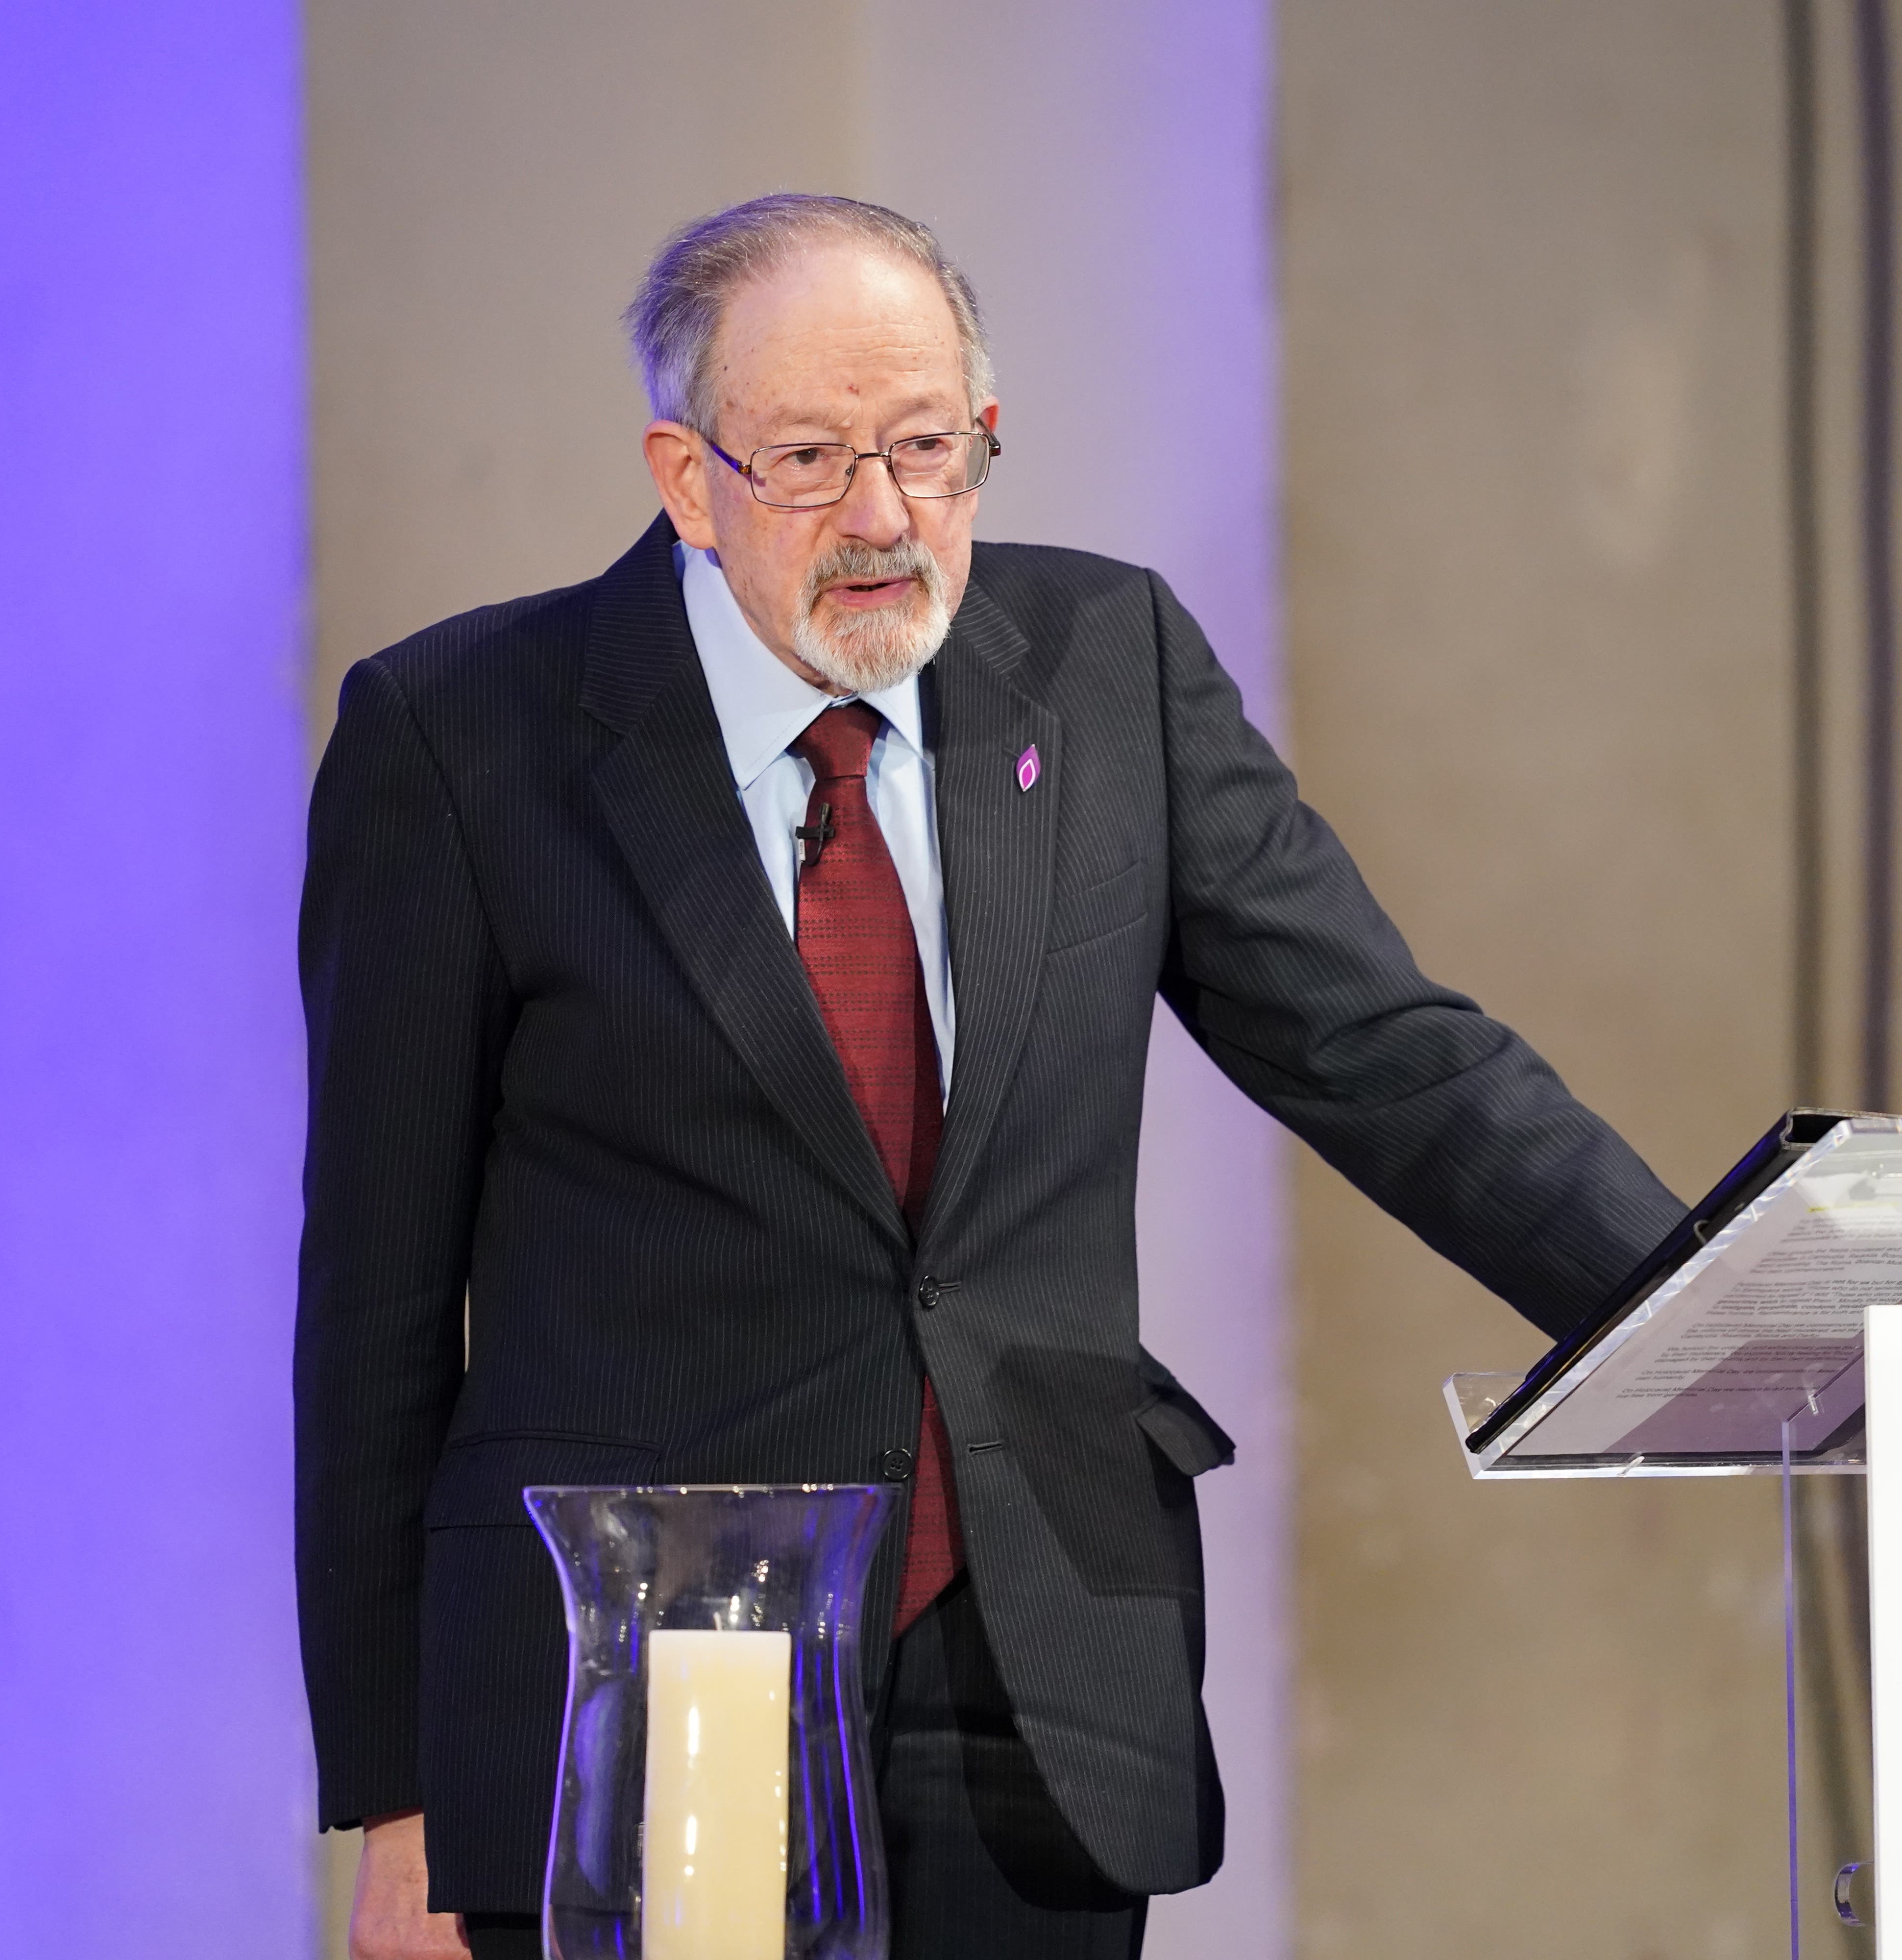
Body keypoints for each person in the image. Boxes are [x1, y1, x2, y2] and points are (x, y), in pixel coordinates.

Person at [297, 194, 1685, 1960]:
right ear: (684, 473)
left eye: (932, 451)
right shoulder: (464, 734)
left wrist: (1712, 1311)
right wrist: (402, 1787)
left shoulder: (1110, 666)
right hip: (657, 1678)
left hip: (1029, 1665)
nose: (885, 519)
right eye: (810, 458)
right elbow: (377, 1303)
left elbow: (1387, 1056)